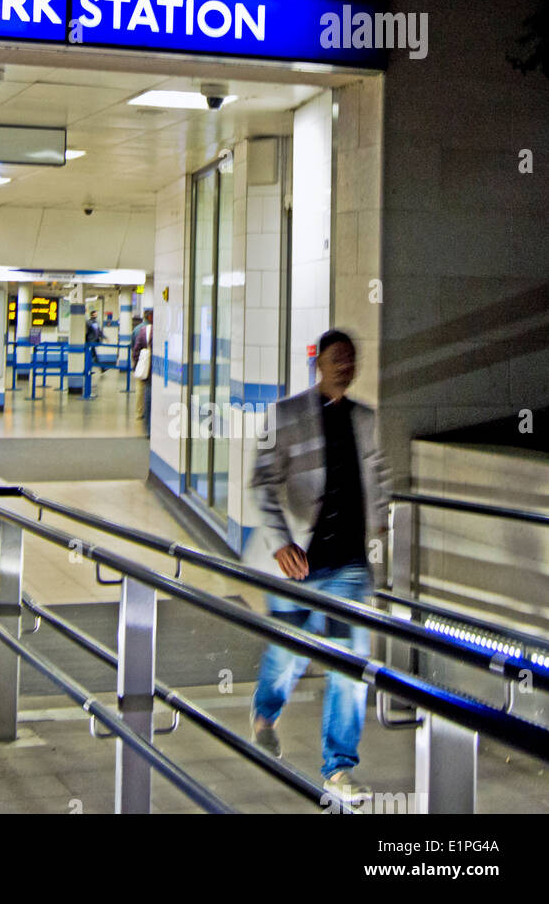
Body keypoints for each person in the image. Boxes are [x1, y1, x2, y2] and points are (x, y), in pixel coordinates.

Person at [246, 329, 390, 805]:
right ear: (319, 363)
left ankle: (339, 768)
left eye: (351, 358)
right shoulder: (285, 415)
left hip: (349, 564)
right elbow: (261, 482)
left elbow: (379, 480)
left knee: (349, 665)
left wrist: (381, 534)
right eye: (336, 358)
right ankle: (266, 716)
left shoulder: (365, 419)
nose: (345, 366)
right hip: (299, 563)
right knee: (288, 655)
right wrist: (280, 542)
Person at [131, 308, 153, 433]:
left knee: (140, 390)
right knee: (149, 392)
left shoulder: (137, 329)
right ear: (150, 317)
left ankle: (139, 413)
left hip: (141, 365)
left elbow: (134, 348)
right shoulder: (154, 330)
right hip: (151, 368)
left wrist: (136, 365)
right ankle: (148, 420)